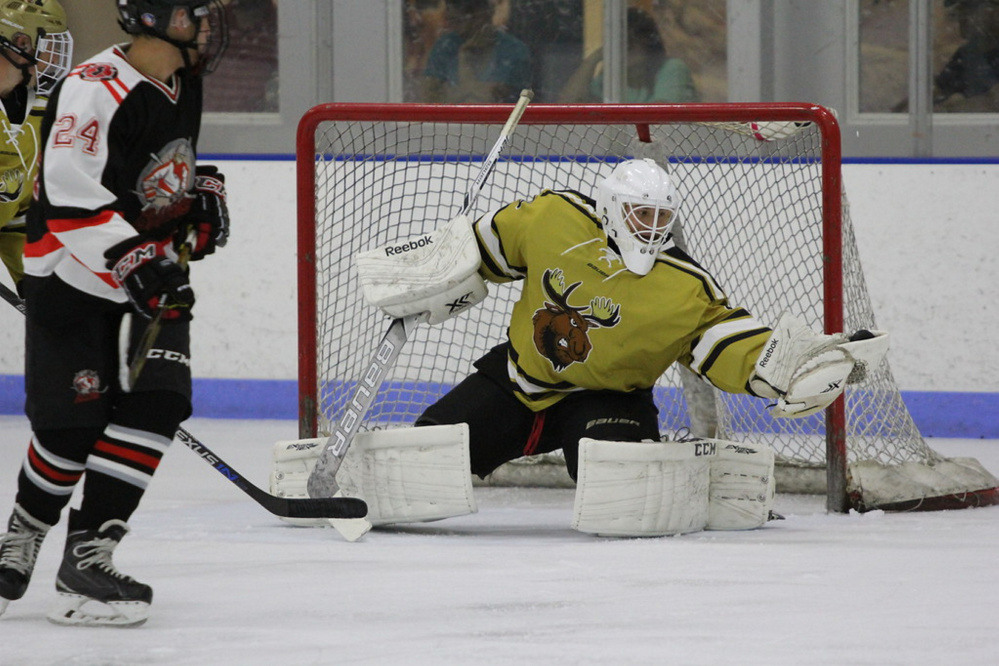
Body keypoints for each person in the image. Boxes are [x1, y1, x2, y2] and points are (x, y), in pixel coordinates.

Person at [404, 159, 882, 485]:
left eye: (661, 214)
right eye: (640, 212)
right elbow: (483, 249)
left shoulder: (684, 285)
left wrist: (786, 369)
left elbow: (725, 343)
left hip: (609, 399)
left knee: (621, 487)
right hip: (517, 381)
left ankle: (686, 468)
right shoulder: (554, 217)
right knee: (422, 460)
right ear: (611, 206)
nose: (652, 225)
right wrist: (432, 275)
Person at [0, 0, 229, 627]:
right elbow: (71, 191)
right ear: (154, 20)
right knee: (71, 431)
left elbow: (160, 164)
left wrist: (201, 192)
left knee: (159, 401)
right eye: (195, 15)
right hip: (72, 277)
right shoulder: (92, 89)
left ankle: (88, 557)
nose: (208, 27)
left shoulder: (187, 78)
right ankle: (26, 528)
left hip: (148, 271)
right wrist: (135, 260)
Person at [0, 0, 73, 296]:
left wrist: (30, 278)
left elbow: (17, 220)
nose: (51, 58)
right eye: (47, 46)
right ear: (20, 42)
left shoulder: (38, 116)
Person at [558, 7, 699, 103]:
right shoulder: (609, 81)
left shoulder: (672, 69)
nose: (624, 48)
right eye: (618, 42)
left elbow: (659, 118)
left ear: (648, 42)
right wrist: (594, 58)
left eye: (629, 42)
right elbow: (567, 105)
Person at [422, 0, 532, 103]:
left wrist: (457, 91)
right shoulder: (444, 46)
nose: (453, 16)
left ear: (488, 11)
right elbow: (430, 100)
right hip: (450, 123)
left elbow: (517, 103)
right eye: (454, 8)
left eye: (469, 10)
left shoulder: (513, 50)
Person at [935, 0, 999, 111]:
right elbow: (939, 90)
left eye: (970, 9)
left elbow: (991, 103)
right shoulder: (969, 51)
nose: (963, 18)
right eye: (959, 12)